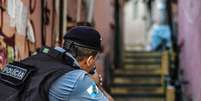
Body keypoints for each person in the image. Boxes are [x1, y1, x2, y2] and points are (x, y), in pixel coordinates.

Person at [0, 26, 113, 101]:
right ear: (89, 60)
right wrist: (96, 85)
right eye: (95, 60)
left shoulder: (34, 59)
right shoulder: (78, 79)